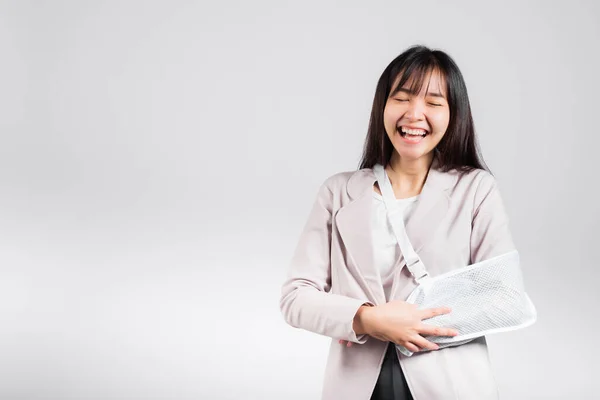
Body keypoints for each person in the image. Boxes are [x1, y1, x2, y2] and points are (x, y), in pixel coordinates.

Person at [279, 45, 517, 400]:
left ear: (454, 114)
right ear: (383, 107)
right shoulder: (338, 192)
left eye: (433, 103)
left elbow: (502, 296)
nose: (414, 113)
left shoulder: (475, 189)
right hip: (357, 384)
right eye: (402, 98)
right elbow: (295, 297)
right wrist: (367, 318)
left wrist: (413, 323)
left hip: (450, 383)